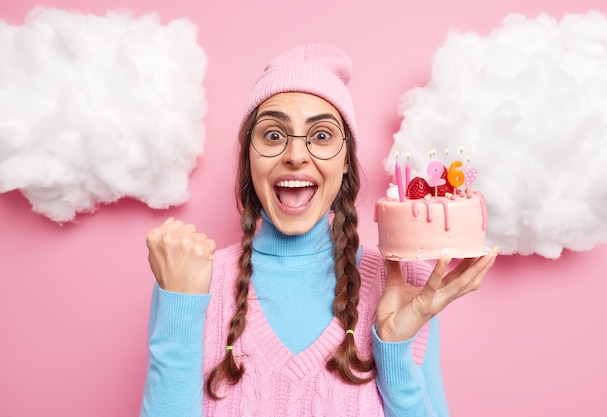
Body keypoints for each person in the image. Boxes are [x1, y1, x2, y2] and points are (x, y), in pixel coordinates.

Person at [140, 43, 498, 417]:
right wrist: (179, 304)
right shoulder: (192, 280)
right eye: (274, 135)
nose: (296, 155)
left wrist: (393, 348)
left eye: (322, 136)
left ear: (346, 160)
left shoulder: (407, 284)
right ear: (250, 155)